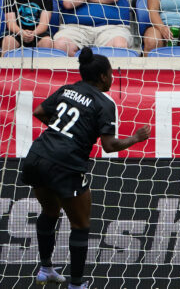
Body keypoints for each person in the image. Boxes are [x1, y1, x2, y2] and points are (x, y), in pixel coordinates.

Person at [20, 47, 150, 289]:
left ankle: (45, 268)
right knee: (80, 225)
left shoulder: (68, 89)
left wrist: (65, 133)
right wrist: (136, 138)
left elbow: (39, 111)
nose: (112, 78)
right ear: (102, 76)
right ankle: (77, 284)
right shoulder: (104, 103)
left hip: (37, 156)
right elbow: (110, 146)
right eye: (111, 74)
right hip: (65, 163)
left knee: (49, 213)